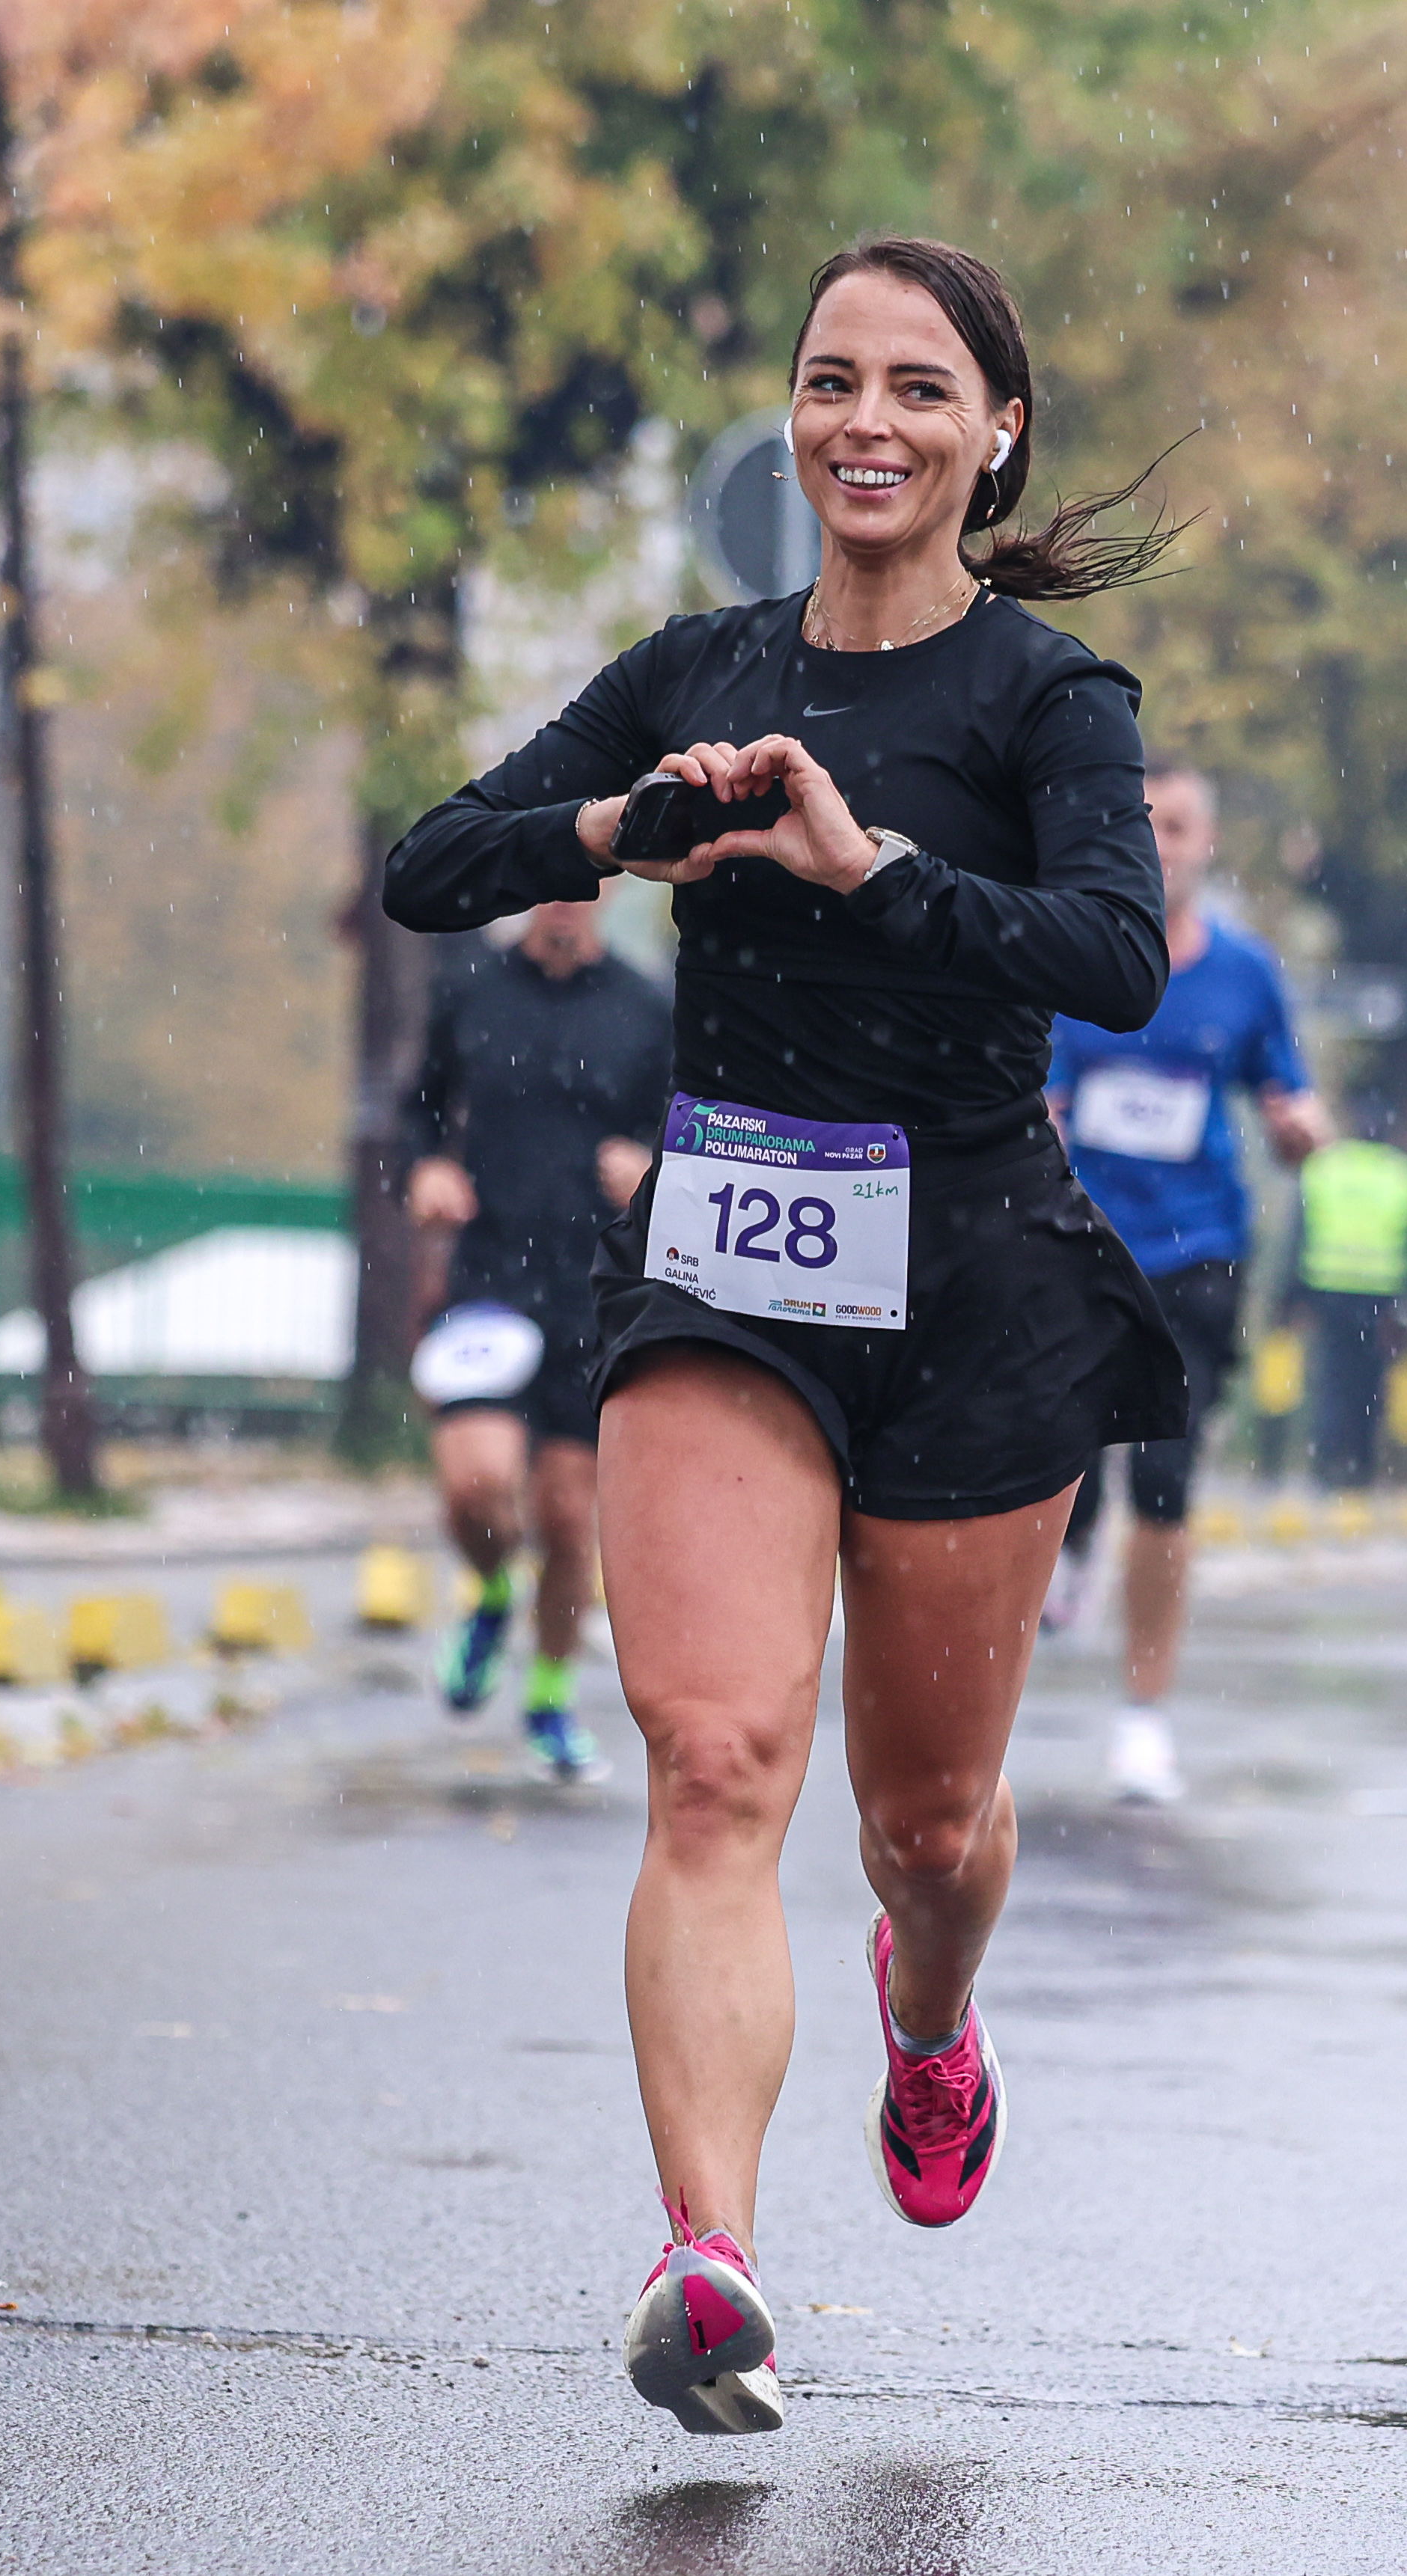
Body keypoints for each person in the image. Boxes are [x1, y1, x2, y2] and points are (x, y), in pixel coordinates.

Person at [383, 236, 1188, 2439]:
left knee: (921, 1826)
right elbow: (433, 860)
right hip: (731, 1256)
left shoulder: (1043, 700)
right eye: (831, 379)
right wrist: (619, 822)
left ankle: (927, 2021)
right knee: (717, 1758)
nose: (865, 422)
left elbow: (1112, 954)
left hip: (975, 1279)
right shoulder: (697, 666)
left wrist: (866, 875)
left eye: (915, 387)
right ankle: (708, 2253)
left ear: (991, 430)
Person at [1046, 770, 1329, 1804]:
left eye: (1174, 826)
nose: (1155, 844)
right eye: (1137, 823)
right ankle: (1072, 1543)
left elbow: (1292, 1098)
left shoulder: (1245, 973)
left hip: (1197, 1252)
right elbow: (1034, 1089)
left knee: (1165, 1481)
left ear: (1207, 843)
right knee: (1061, 1452)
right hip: (1075, 1244)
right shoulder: (1071, 952)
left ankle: (1142, 1716)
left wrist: (1300, 1130)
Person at [403, 892, 672, 1775]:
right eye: (549, 877)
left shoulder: (647, 1006)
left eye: (582, 880)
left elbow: (688, 1135)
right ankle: (489, 1590)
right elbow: (418, 1107)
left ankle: (549, 1698)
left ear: (608, 888)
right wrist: (427, 1165)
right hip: (488, 1277)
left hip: (592, 1291)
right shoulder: (472, 989)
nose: (565, 895)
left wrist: (652, 1171)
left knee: (565, 1519)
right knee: (476, 1483)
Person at [1295, 1103, 1407, 1491]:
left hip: (1330, 1289)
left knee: (1332, 1379)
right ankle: (1361, 1466)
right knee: (1370, 1382)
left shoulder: (1326, 1169)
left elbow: (1299, 1233)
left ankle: (1326, 1466)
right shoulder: (1404, 1173)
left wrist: (1293, 1293)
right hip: (1381, 1295)